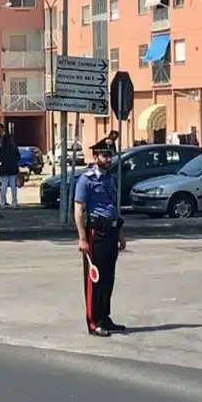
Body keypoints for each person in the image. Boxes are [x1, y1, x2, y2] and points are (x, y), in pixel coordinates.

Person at [74, 140, 126, 337]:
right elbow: (79, 209)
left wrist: (121, 234)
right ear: (95, 157)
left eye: (109, 155)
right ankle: (93, 321)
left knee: (108, 278)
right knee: (95, 279)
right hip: (96, 232)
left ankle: (105, 317)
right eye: (104, 155)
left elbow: (114, 208)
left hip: (111, 231)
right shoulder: (86, 180)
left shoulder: (110, 179)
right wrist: (82, 238)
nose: (108, 159)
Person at [0, 124, 21, 210]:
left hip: (4, 168)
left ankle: (2, 203)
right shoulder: (14, 147)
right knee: (13, 186)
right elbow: (18, 157)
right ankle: (14, 202)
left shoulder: (2, 148)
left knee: (4, 186)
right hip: (13, 168)